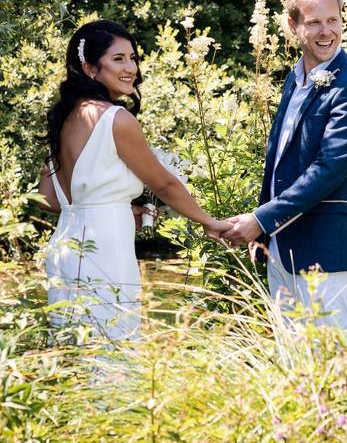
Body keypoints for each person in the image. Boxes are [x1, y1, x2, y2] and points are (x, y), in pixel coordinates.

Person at [38, 19, 231, 342]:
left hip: (65, 248)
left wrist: (113, 208)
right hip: (105, 250)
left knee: (72, 352)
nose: (131, 69)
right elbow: (164, 184)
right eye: (118, 59)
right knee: (111, 349)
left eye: (133, 58)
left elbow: (49, 199)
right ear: (90, 69)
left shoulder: (66, 117)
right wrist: (209, 221)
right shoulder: (116, 119)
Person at [223, 0, 347, 342]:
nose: (327, 32)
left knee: (327, 361)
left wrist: (261, 218)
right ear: (293, 26)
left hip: (326, 251)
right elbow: (279, 164)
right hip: (281, 246)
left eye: (333, 20)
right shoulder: (294, 82)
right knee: (290, 360)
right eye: (314, 23)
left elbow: (328, 171)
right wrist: (265, 227)